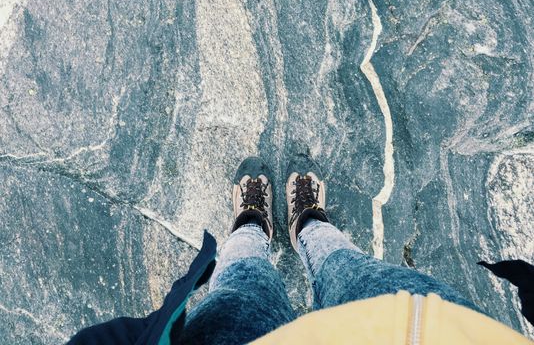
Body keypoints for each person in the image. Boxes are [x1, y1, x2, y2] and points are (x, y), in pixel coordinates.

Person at [69, 156, 529, 345]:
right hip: (448, 331)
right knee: (351, 271)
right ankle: (309, 225)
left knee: (242, 293)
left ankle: (253, 227)